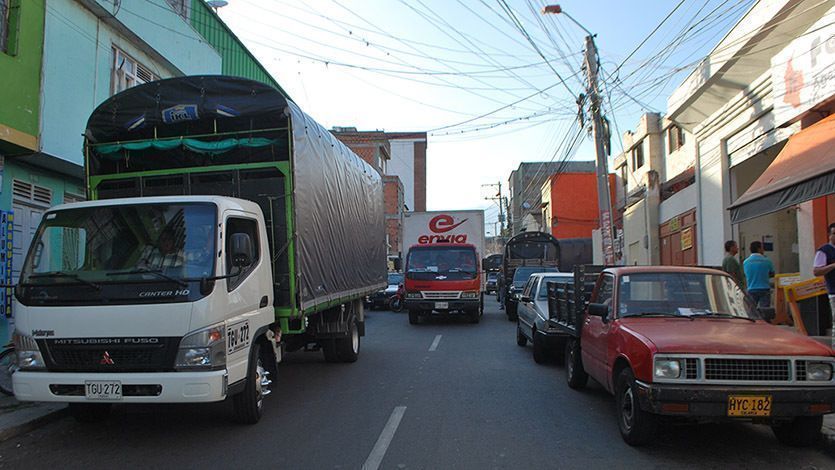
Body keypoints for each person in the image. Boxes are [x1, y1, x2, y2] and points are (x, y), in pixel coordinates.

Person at [812, 222, 835, 336]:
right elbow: (816, 271)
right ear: (829, 235)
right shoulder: (824, 250)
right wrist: (833, 265)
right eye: (834, 233)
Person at [743, 240, 775, 308]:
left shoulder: (746, 262)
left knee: (752, 311)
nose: (763, 250)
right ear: (759, 249)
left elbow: (746, 274)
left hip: (751, 288)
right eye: (762, 248)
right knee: (765, 311)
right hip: (764, 288)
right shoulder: (767, 261)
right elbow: (772, 274)